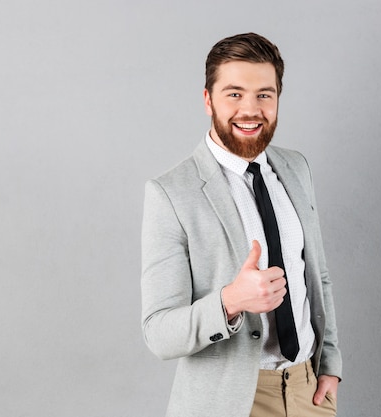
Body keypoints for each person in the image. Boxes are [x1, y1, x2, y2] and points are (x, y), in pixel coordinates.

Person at [141, 32, 342, 417]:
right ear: (207, 99)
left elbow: (318, 276)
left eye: (264, 95)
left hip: (308, 392)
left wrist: (329, 364)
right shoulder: (171, 193)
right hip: (231, 402)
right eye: (234, 94)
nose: (250, 109)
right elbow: (159, 333)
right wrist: (231, 301)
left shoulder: (296, 169)